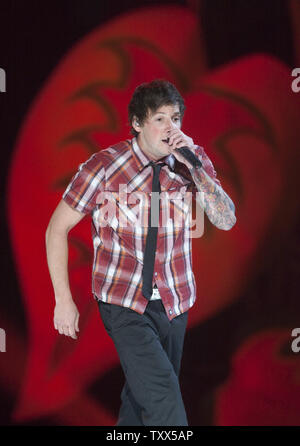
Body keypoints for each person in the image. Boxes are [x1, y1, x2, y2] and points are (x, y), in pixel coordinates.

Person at [45, 79, 236, 426]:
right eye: (160, 118)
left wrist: (194, 164)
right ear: (137, 123)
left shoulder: (189, 162)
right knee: (163, 397)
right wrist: (63, 300)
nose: (171, 127)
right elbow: (56, 229)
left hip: (175, 301)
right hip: (124, 301)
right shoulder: (104, 166)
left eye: (176, 118)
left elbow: (225, 219)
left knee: (139, 401)